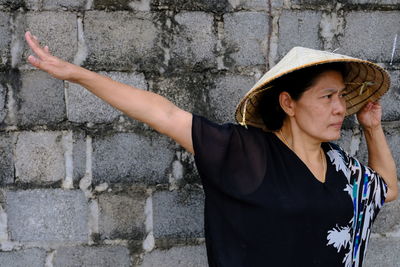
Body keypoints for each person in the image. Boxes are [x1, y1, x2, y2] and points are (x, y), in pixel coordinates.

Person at [24, 31, 397, 267]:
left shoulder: (342, 167)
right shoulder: (245, 154)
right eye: (327, 96)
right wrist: (76, 74)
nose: (339, 108)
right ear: (288, 103)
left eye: (342, 97)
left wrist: (372, 128)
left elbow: (386, 188)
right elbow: (162, 113)